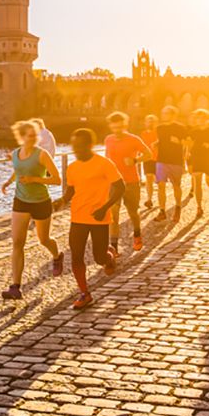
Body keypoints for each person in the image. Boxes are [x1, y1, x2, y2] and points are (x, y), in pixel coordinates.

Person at [54, 129, 124, 310]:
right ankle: (85, 293)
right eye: (74, 146)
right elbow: (71, 190)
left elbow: (120, 187)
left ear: (89, 145)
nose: (75, 149)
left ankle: (108, 257)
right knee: (76, 257)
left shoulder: (104, 164)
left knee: (99, 258)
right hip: (77, 217)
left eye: (79, 146)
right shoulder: (73, 167)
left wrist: (104, 208)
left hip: (99, 217)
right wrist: (61, 201)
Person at [0, 120, 65, 299]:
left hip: (41, 201)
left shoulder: (42, 155)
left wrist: (35, 180)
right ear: (21, 137)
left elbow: (57, 180)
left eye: (35, 135)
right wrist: (8, 181)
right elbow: (18, 170)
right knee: (17, 243)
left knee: (43, 239)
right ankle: (15, 287)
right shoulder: (15, 154)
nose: (34, 139)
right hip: (20, 201)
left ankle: (57, 255)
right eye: (30, 136)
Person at [103, 111, 152, 252]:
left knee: (133, 213)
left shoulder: (134, 139)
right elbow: (107, 158)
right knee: (113, 215)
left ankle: (137, 234)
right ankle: (114, 247)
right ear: (111, 126)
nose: (117, 130)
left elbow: (149, 154)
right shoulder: (108, 139)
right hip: (114, 182)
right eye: (114, 127)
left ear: (125, 125)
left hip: (131, 182)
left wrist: (135, 160)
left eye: (120, 127)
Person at [154, 105, 189, 223]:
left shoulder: (180, 128)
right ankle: (162, 211)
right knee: (161, 185)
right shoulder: (159, 128)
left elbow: (187, 143)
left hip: (175, 161)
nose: (164, 115)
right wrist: (156, 143)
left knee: (176, 186)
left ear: (173, 115)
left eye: (166, 113)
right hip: (161, 159)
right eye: (163, 113)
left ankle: (178, 207)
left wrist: (178, 142)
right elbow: (162, 140)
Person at [185, 109, 209, 219]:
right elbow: (189, 143)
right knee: (197, 183)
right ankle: (199, 207)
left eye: (203, 118)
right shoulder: (193, 131)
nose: (200, 120)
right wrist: (187, 153)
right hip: (196, 158)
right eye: (198, 118)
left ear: (208, 120)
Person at [140, 114, 159, 210]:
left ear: (156, 123)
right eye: (148, 121)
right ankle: (149, 199)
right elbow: (141, 146)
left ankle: (161, 198)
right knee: (148, 178)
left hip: (158, 159)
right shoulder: (143, 134)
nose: (150, 123)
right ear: (145, 123)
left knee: (159, 181)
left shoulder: (159, 132)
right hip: (147, 159)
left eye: (152, 121)